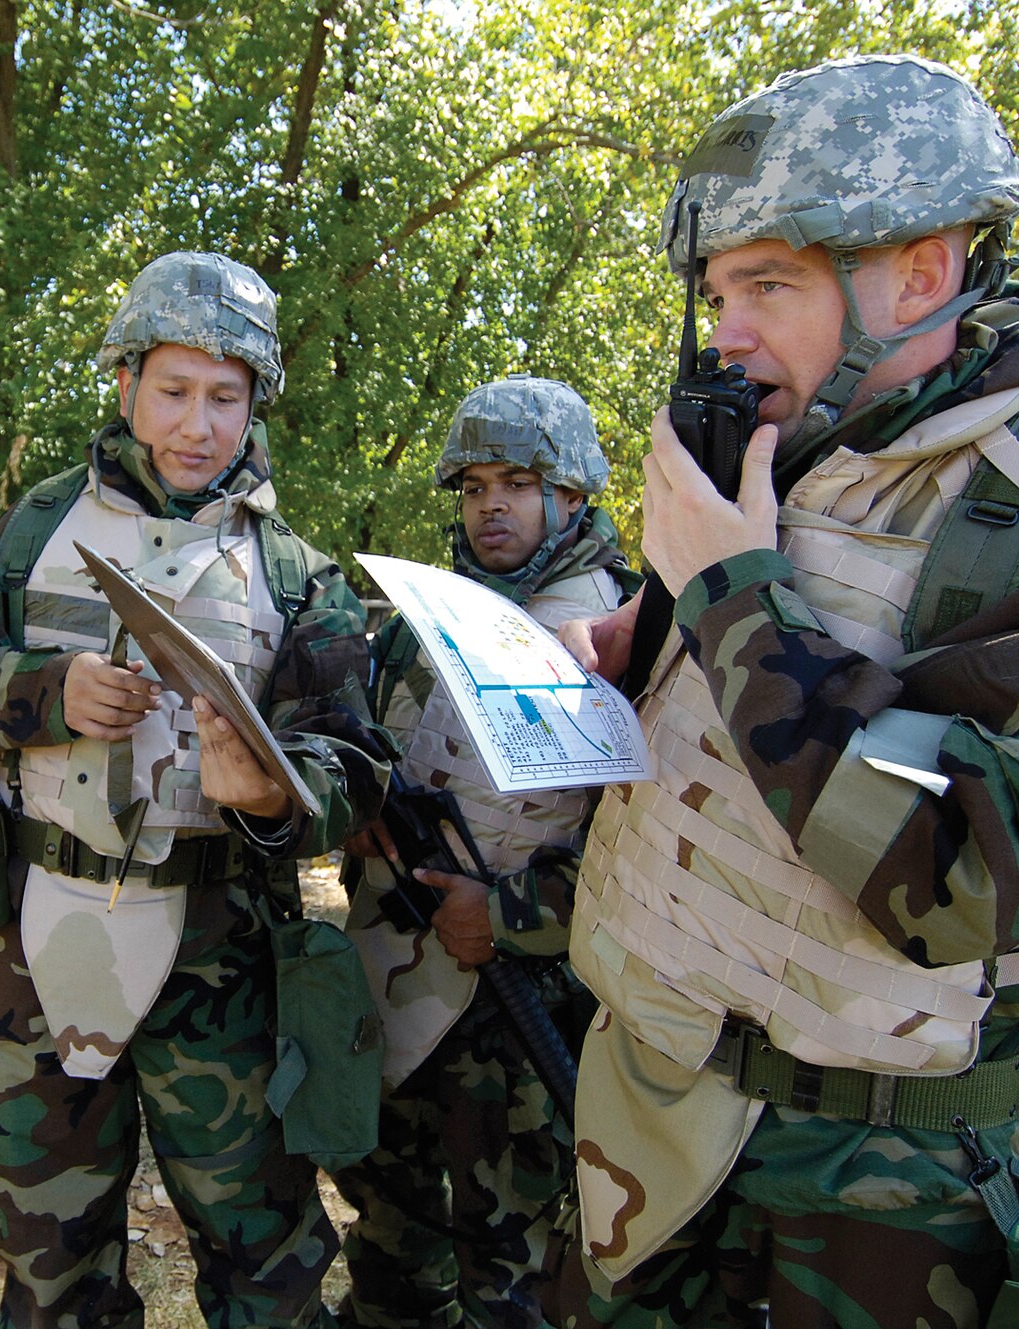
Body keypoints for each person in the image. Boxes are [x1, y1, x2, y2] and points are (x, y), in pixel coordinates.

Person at [551, 55, 1019, 1327]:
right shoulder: (772, 457)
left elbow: (964, 876)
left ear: (920, 272)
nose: (726, 330)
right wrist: (648, 648)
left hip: (880, 1195)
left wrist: (734, 603)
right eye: (716, 290)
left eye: (769, 284)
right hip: (645, 1122)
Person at [0, 250, 392, 1328]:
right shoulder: (29, 535)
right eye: (172, 390)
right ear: (122, 385)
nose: (196, 425)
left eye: (223, 397)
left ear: (254, 408)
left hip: (227, 956)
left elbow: (356, 758)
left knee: (267, 1258)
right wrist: (36, 689)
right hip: (41, 949)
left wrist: (271, 793)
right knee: (48, 1258)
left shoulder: (294, 573)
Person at [333, 376, 635, 1329]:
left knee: (517, 1270)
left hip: (528, 1001)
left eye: (515, 481)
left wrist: (502, 914)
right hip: (397, 980)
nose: (489, 505)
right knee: (390, 1243)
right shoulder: (423, 621)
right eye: (472, 487)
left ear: (573, 496)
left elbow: (648, 843)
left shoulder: (629, 632)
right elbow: (369, 750)